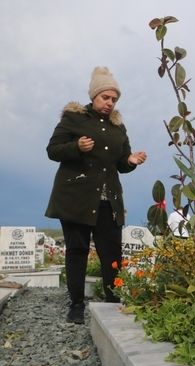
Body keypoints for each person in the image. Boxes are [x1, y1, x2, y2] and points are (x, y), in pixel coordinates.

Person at [45, 66, 147, 324]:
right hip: (75, 198)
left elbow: (122, 163)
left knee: (111, 252)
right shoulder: (73, 118)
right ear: (94, 95)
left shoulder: (118, 128)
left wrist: (131, 160)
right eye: (105, 97)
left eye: (114, 99)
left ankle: (113, 301)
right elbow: (53, 150)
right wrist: (76, 146)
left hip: (108, 200)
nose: (110, 103)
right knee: (77, 250)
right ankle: (77, 305)